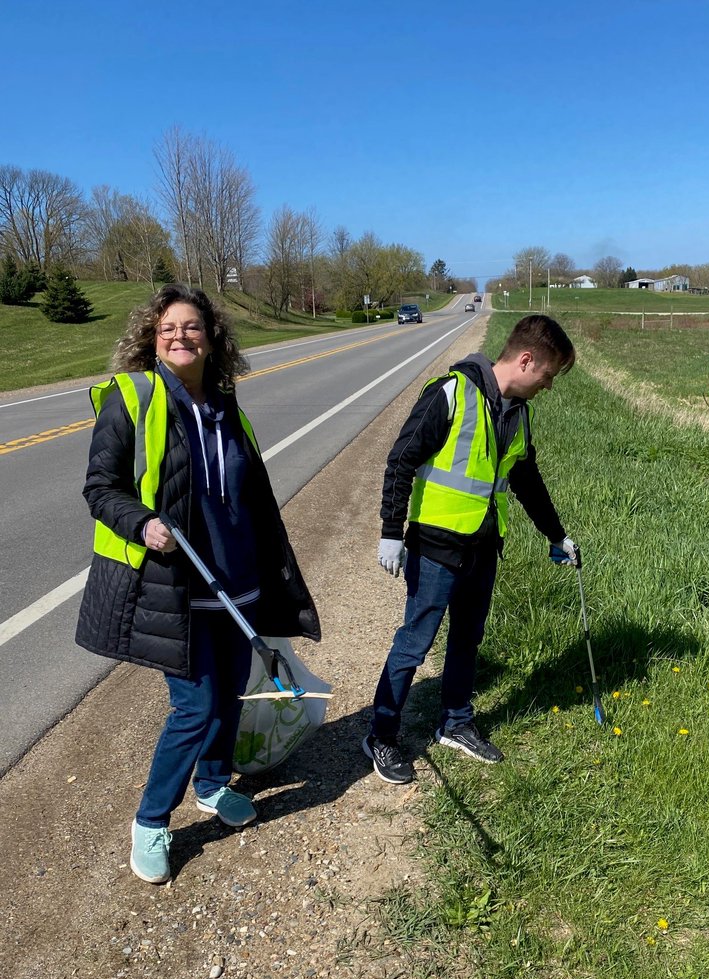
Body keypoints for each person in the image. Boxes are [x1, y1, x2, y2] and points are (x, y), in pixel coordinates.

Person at [76, 283, 320, 884]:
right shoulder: (132, 398)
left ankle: (211, 785)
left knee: (233, 693)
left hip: (239, 584)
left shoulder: (227, 405)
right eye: (168, 329)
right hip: (178, 586)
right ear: (151, 339)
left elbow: (251, 498)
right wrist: (143, 523)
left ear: (212, 339)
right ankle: (151, 821)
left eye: (191, 327)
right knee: (194, 705)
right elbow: (101, 489)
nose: (179, 337)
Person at [364, 313, 578, 784]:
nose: (548, 385)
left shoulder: (519, 414)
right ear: (526, 360)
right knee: (414, 645)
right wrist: (390, 532)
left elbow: (526, 481)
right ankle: (381, 735)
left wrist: (555, 534)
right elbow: (401, 460)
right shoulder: (449, 394)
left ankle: (455, 723)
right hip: (436, 549)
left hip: (483, 550)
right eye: (548, 375)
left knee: (467, 641)